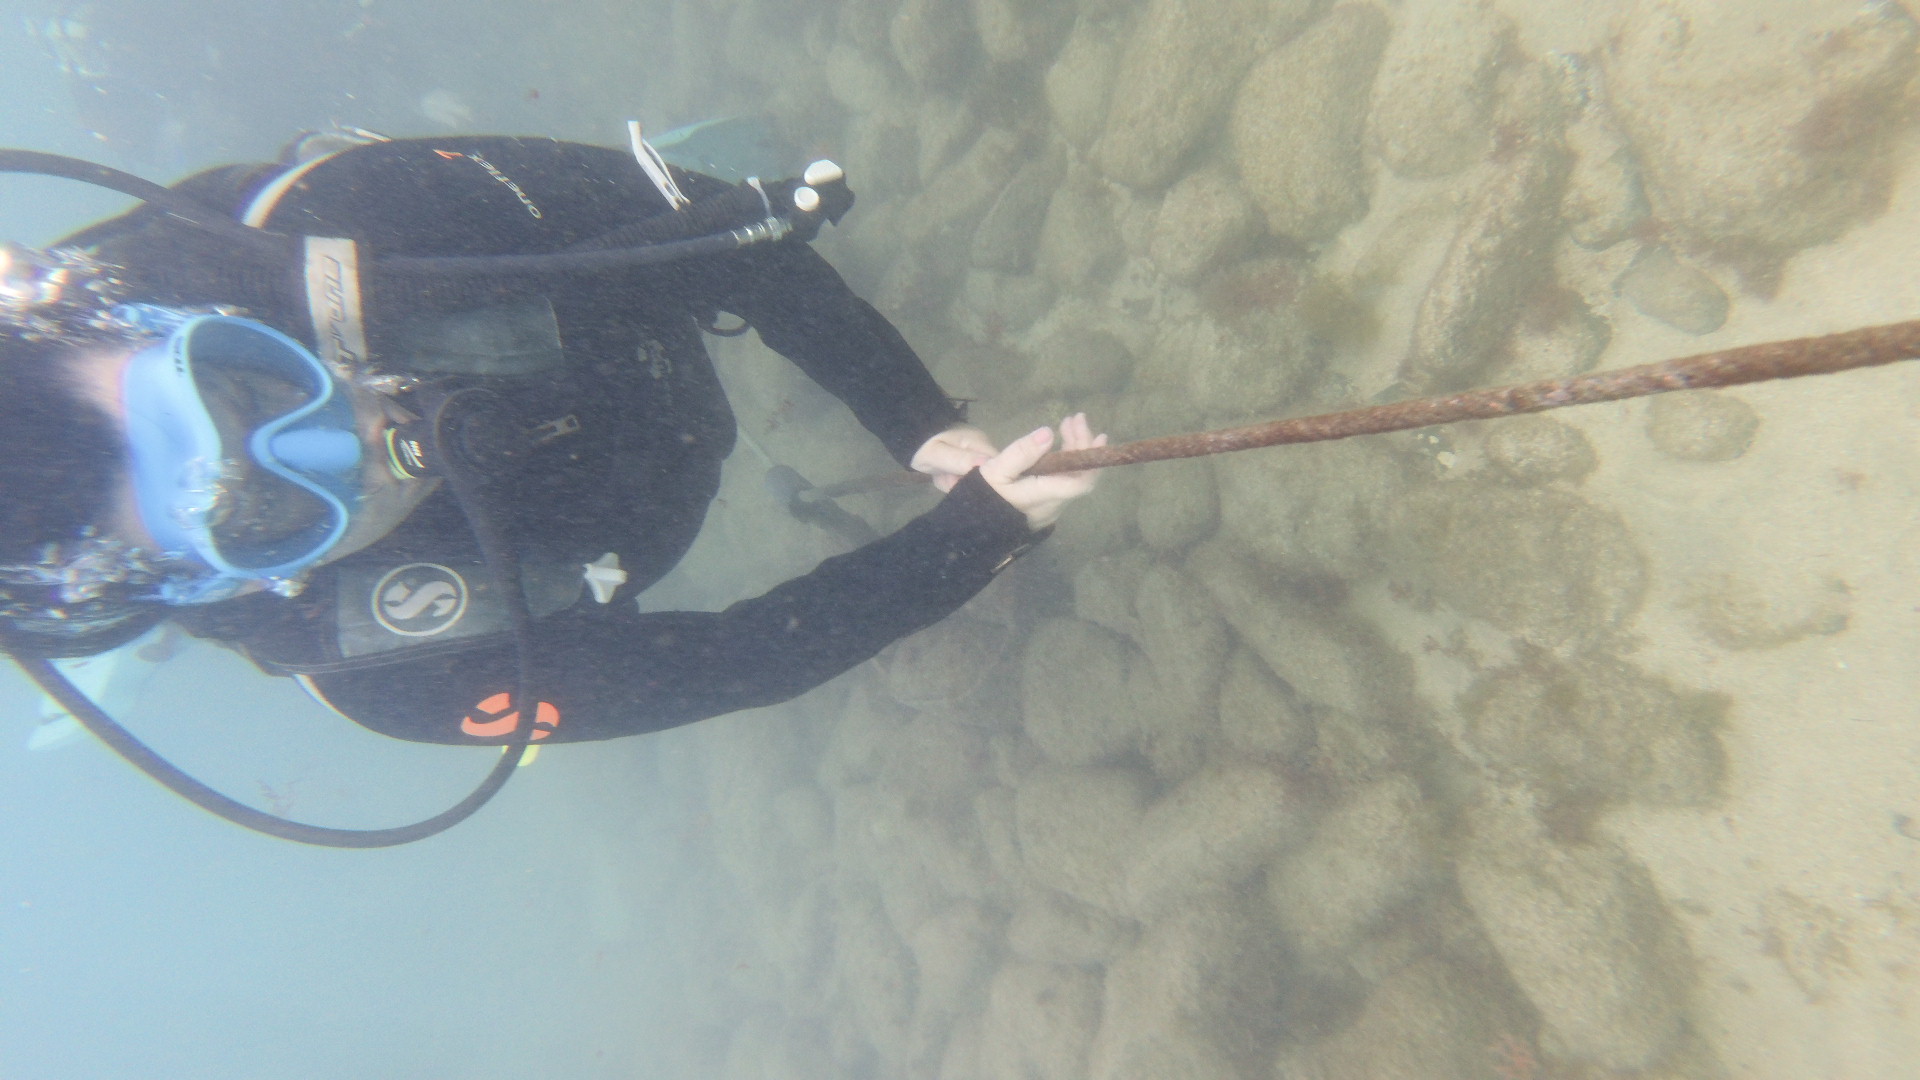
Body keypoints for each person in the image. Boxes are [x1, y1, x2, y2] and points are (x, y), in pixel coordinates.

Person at [0, 131, 1102, 745]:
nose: (346, 445)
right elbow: (737, 661)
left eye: (243, 387)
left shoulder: (337, 222)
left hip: (582, 305)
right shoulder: (382, 667)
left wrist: (915, 417)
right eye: (252, 507)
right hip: (634, 489)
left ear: (187, 328)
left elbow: (738, 241)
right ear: (211, 578)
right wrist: (971, 539)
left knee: (679, 215)